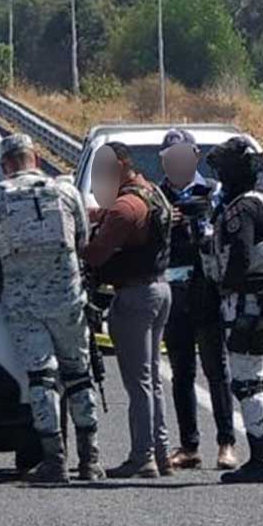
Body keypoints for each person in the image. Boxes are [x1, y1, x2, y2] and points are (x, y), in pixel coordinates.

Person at [0, 134, 104, 483]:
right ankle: (91, 460)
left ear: (4, 165)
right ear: (34, 158)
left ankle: (54, 459)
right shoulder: (66, 192)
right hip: (67, 298)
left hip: (23, 304)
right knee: (80, 376)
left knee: (42, 379)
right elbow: (82, 237)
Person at [203, 137, 263, 484]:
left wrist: (224, 281)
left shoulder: (242, 209)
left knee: (246, 383)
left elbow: (239, 257)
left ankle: (261, 461)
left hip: (251, 304)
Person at [85, 142, 174, 479]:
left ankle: (143, 456)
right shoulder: (151, 193)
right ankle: (160, 452)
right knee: (150, 381)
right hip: (159, 288)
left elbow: (95, 255)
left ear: (120, 165)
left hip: (135, 295)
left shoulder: (125, 206)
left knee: (138, 383)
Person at [156, 129, 239, 471]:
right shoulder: (156, 196)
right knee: (181, 372)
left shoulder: (215, 192)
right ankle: (189, 445)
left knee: (217, 370)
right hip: (172, 293)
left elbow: (229, 234)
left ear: (194, 156)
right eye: (170, 158)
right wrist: (163, 221)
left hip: (206, 290)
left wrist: (205, 223)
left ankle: (227, 443)